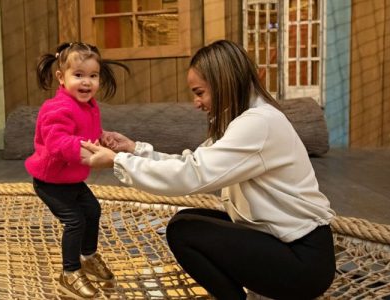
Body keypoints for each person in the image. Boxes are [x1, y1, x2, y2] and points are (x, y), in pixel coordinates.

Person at [81, 40, 336, 300]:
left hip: (303, 261)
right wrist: (133, 150)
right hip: (282, 243)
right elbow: (189, 162)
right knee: (187, 220)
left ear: (222, 83)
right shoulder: (243, 118)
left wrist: (117, 162)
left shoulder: (258, 123)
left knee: (185, 231)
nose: (196, 102)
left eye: (200, 92)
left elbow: (193, 175)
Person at [25, 42, 128, 299]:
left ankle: (88, 257)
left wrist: (102, 138)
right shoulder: (56, 108)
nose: (86, 82)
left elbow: (86, 131)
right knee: (75, 221)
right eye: (78, 75)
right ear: (61, 77)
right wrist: (88, 155)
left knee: (93, 209)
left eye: (93, 76)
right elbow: (57, 142)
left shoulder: (90, 105)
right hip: (50, 181)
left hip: (70, 179)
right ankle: (70, 273)